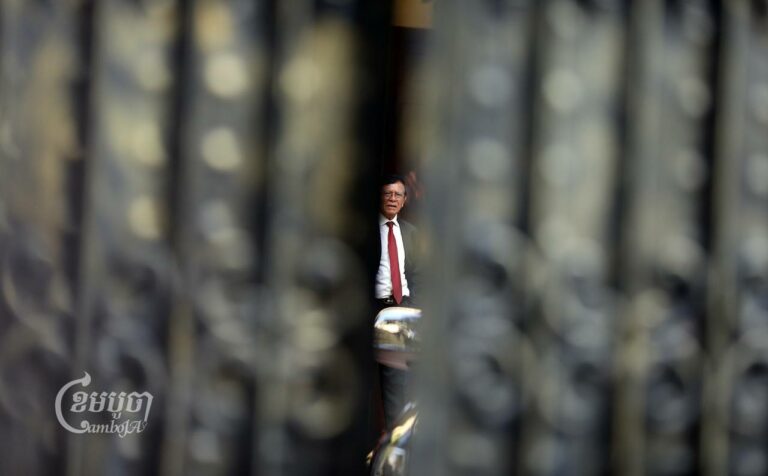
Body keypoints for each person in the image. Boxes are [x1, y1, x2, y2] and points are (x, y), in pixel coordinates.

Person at [373, 174, 420, 429]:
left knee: (396, 386)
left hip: (398, 314)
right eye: (387, 194)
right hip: (372, 309)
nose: (392, 199)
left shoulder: (412, 235)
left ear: (404, 200)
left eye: (397, 195)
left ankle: (391, 440)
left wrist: (412, 312)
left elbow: (419, 276)